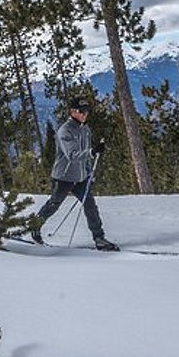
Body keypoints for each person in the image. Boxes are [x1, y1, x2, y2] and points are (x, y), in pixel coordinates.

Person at [31, 96, 118, 251]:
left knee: (91, 207)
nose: (84, 114)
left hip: (81, 178)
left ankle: (99, 238)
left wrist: (89, 173)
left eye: (86, 111)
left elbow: (85, 158)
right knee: (54, 204)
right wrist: (92, 152)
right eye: (81, 111)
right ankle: (34, 227)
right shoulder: (65, 130)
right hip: (64, 177)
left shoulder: (85, 129)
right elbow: (72, 155)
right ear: (72, 112)